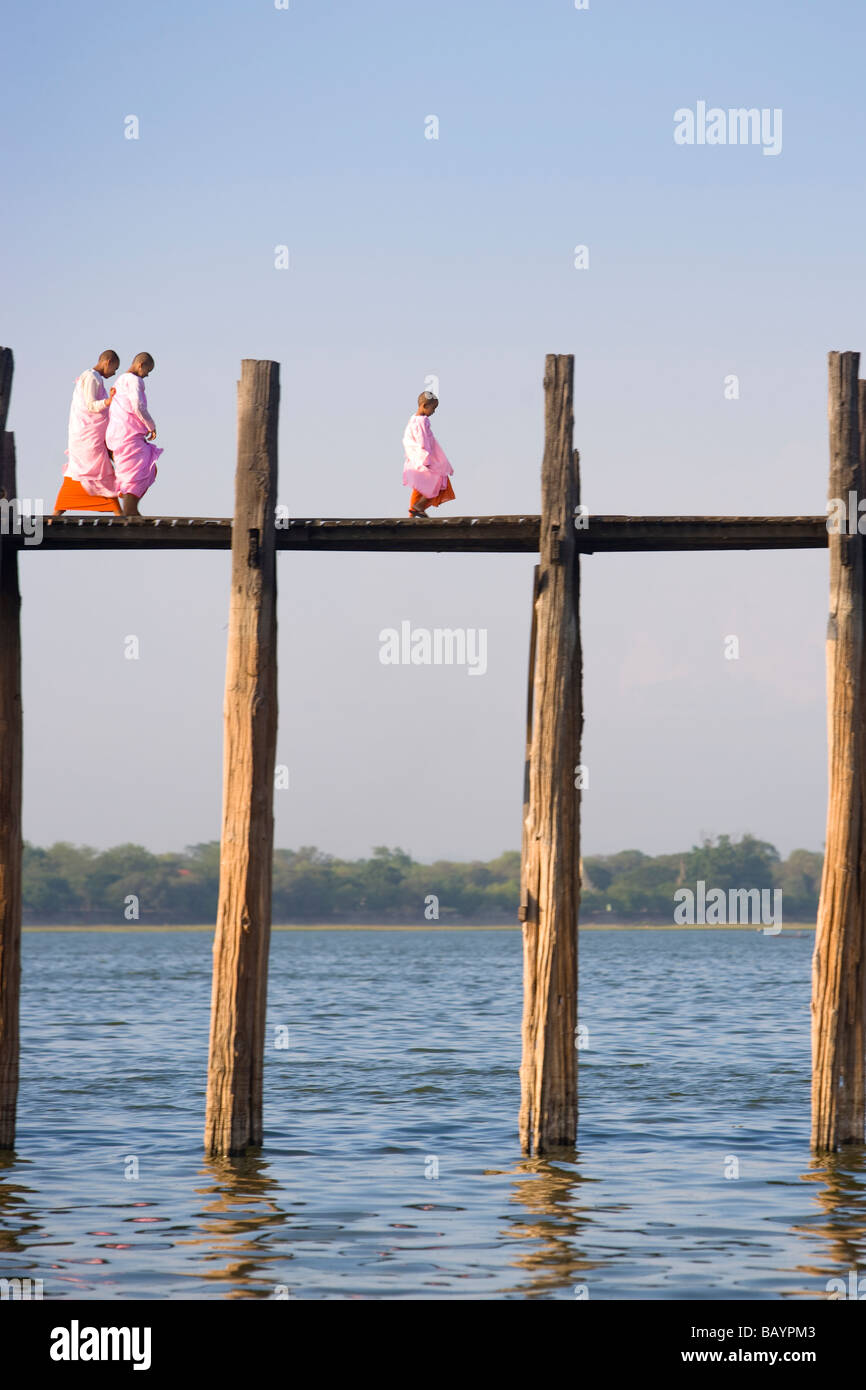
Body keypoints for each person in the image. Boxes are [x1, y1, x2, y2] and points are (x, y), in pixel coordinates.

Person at [54, 350, 122, 514]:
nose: (114, 372)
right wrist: (109, 401)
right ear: (107, 362)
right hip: (87, 436)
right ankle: (119, 512)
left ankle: (56, 512)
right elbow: (91, 405)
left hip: (92, 434)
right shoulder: (91, 377)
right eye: (114, 368)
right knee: (96, 469)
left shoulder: (96, 378)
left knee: (83, 470)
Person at [106, 352, 163, 516]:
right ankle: (130, 511)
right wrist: (151, 426)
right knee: (139, 470)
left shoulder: (119, 381)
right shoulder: (134, 380)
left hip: (116, 437)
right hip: (128, 436)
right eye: (148, 370)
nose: (147, 375)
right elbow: (138, 405)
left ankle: (130, 509)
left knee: (135, 470)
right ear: (141, 365)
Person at [402, 390, 455, 518]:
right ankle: (418, 507)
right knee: (439, 480)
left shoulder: (413, 420)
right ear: (424, 406)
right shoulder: (422, 421)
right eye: (433, 408)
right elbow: (423, 441)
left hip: (416, 459)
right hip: (424, 459)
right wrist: (427, 459)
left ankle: (413, 512)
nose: (434, 412)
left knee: (420, 487)